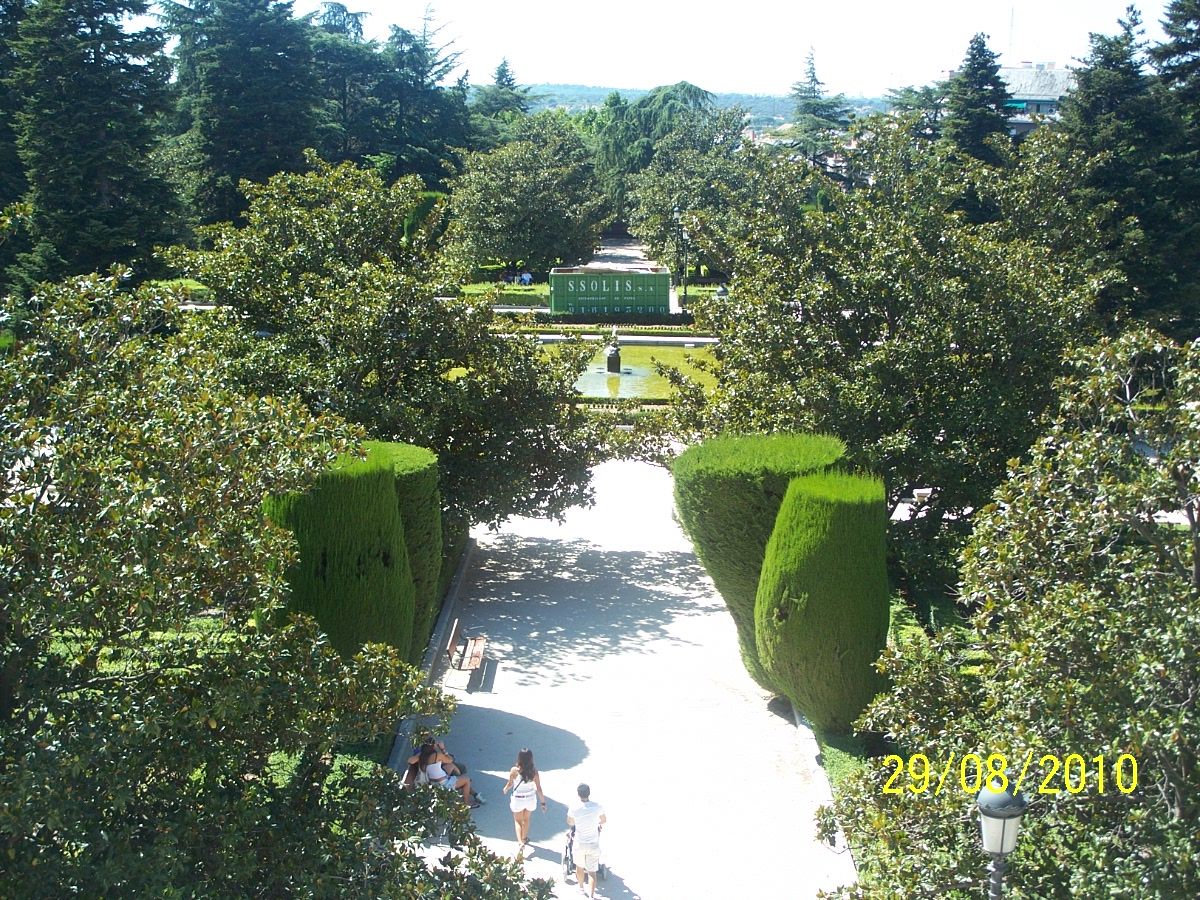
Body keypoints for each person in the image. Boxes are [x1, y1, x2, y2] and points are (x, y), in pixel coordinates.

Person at [407, 739, 480, 808]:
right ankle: (466, 802)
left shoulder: (422, 756)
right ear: (433, 746)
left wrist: (421, 753)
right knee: (466, 780)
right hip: (444, 783)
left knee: (451, 767)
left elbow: (410, 761)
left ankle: (462, 785)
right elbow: (450, 760)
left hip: (433, 781)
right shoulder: (437, 755)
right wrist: (442, 749)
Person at [501, 748, 546, 854]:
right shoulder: (534, 771)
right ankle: (524, 838)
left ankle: (520, 842)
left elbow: (510, 783)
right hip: (530, 798)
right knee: (526, 819)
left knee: (518, 821)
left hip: (518, 799)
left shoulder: (514, 770)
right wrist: (543, 803)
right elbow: (539, 788)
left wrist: (505, 789)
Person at [567, 783, 606, 897]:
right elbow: (603, 820)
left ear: (578, 794)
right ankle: (591, 895)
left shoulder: (574, 807)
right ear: (589, 793)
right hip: (593, 843)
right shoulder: (597, 806)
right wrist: (595, 823)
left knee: (579, 867)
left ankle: (580, 888)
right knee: (592, 872)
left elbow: (570, 822)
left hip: (579, 843)